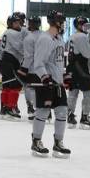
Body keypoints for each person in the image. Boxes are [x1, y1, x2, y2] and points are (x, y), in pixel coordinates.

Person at [30, 10, 71, 158]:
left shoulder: (59, 39)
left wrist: (64, 75)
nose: (63, 24)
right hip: (47, 82)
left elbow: (58, 62)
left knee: (62, 112)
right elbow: (39, 62)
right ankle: (36, 141)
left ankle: (58, 142)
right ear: (55, 22)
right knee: (43, 111)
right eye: (62, 21)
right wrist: (45, 77)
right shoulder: (45, 39)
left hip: (57, 82)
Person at [67, 16, 90, 129]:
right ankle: (84, 118)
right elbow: (89, 53)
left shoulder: (73, 36)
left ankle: (70, 115)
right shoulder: (82, 36)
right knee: (89, 93)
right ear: (78, 26)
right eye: (83, 24)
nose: (86, 27)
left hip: (72, 67)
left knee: (73, 92)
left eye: (86, 24)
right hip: (80, 68)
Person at [0, 14, 25, 119]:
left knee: (6, 86)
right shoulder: (13, 33)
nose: (18, 24)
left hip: (4, 60)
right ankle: (11, 108)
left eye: (19, 22)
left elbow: (1, 50)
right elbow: (20, 48)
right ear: (11, 24)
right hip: (11, 61)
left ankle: (4, 108)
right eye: (16, 22)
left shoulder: (6, 32)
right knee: (16, 85)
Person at [17, 14, 43, 120]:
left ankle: (31, 108)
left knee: (30, 87)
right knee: (42, 88)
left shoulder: (29, 38)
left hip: (32, 68)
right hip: (44, 68)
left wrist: (23, 69)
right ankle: (44, 110)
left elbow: (28, 56)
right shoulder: (45, 35)